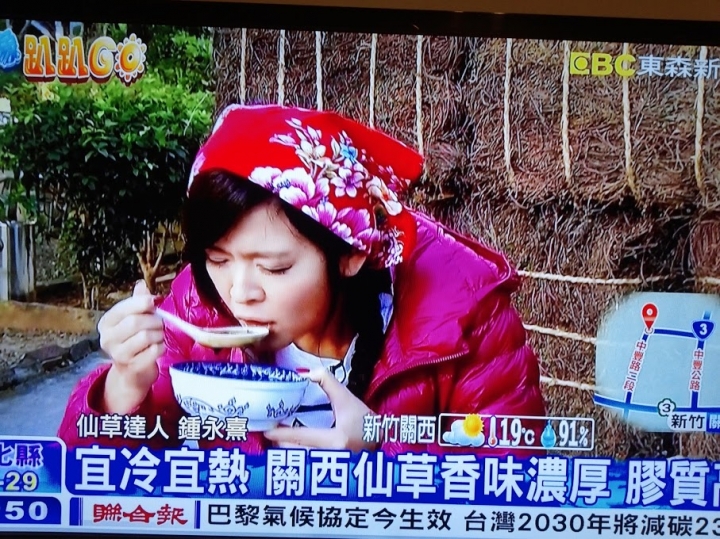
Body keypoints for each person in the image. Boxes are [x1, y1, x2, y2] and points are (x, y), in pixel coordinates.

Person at [58, 104, 545, 456]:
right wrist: (122, 390)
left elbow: (513, 477)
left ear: (351, 254)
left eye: (273, 268)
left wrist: (383, 444)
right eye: (218, 258)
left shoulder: (464, 313)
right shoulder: (196, 306)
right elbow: (90, 478)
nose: (239, 292)